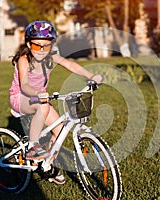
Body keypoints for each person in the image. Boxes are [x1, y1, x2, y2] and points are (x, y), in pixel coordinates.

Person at [9, 20, 103, 184]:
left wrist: (91, 76)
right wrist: (38, 93)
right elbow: (24, 85)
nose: (42, 50)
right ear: (29, 44)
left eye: (46, 45)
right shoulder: (24, 60)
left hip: (40, 99)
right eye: (37, 45)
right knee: (43, 105)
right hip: (21, 98)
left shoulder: (50, 56)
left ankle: (46, 167)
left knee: (60, 130)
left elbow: (70, 64)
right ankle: (32, 147)